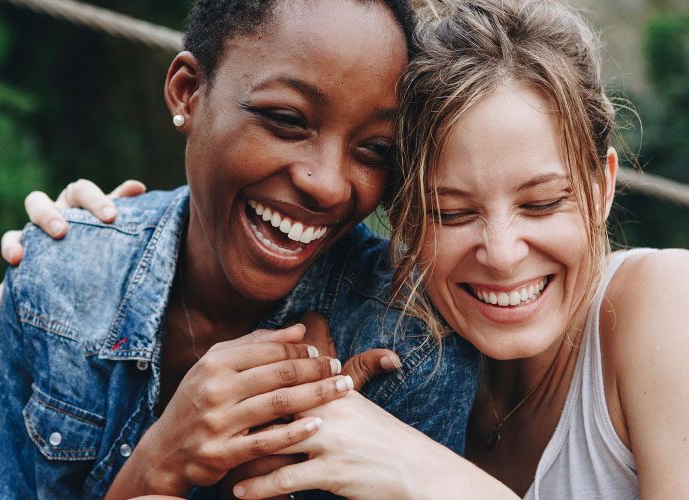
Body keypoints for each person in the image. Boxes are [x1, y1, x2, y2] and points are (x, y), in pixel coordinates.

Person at [0, 1, 481, 498]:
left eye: (375, 149)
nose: (329, 185)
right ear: (188, 92)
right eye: (287, 120)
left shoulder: (411, 348)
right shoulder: (58, 280)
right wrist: (161, 461)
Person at [213, 0, 689, 498]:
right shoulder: (398, 355)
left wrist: (424, 472)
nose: (502, 254)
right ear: (403, 219)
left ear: (601, 187)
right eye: (452, 213)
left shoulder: (664, 305)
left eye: (542, 203)